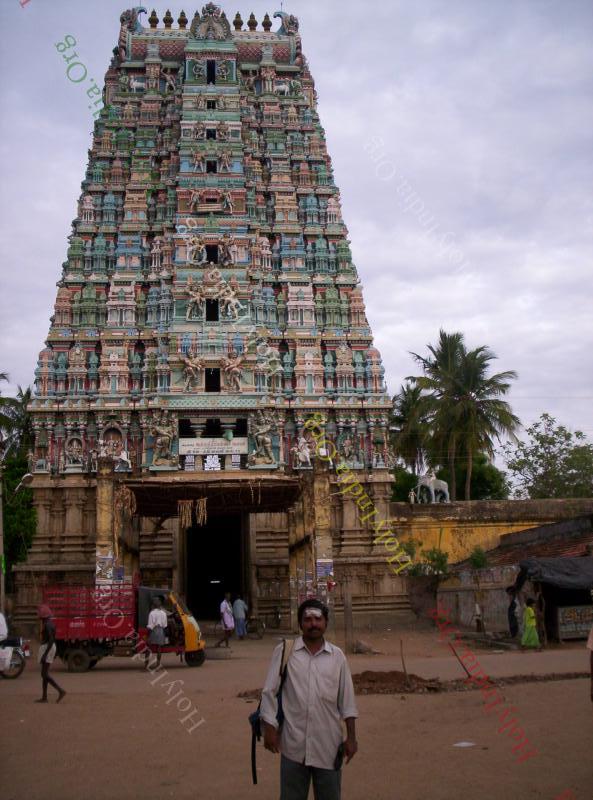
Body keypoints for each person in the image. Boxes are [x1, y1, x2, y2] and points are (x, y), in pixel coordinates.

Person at [260, 599, 358, 800]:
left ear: (325, 623)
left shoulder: (337, 657)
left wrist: (352, 737)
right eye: (308, 619)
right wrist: (269, 727)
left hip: (328, 746)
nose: (313, 624)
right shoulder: (285, 652)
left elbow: (347, 700)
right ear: (300, 624)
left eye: (318, 619)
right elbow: (269, 691)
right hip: (293, 745)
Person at [36, 604, 66, 703]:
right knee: (44, 674)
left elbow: (51, 639)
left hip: (47, 648)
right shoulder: (49, 623)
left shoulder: (47, 624)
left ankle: (60, 690)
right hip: (49, 647)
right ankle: (44, 697)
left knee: (44, 674)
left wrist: (45, 654)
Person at [145, 596, 167, 669]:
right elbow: (165, 625)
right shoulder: (163, 613)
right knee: (159, 649)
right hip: (161, 631)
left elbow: (150, 625)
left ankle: (146, 666)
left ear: (154, 604)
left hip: (153, 631)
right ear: (160, 604)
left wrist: (148, 636)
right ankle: (157, 665)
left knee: (148, 648)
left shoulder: (151, 613)